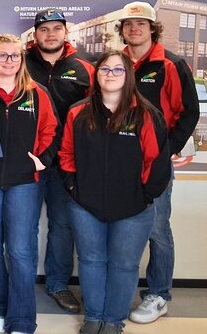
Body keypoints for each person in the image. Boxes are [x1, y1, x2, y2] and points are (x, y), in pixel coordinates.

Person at [60, 50, 172, 334]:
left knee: (124, 265)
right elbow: (66, 154)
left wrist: (145, 196)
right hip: (85, 205)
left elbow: (156, 161)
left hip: (134, 208)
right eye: (105, 70)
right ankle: (94, 316)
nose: (110, 75)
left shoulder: (146, 114)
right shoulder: (78, 112)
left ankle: (113, 320)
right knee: (90, 261)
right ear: (96, 76)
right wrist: (73, 186)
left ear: (129, 76)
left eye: (118, 70)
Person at [115, 2, 199, 324]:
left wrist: (167, 151)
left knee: (157, 230)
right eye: (129, 23)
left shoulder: (172, 64)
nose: (134, 28)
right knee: (122, 226)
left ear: (153, 28)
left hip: (155, 164)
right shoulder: (115, 64)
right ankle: (121, 291)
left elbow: (189, 111)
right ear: (122, 29)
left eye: (141, 23)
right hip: (120, 163)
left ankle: (159, 294)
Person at [0, 34, 59, 334]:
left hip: (25, 183)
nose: (9, 61)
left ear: (21, 60)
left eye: (14, 56)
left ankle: (21, 318)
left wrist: (40, 160)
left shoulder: (37, 94)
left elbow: (52, 131)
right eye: (2, 55)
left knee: (21, 250)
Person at [25, 8, 94, 313]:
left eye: (56, 28)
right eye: (43, 29)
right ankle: (21, 282)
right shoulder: (20, 63)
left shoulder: (85, 68)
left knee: (62, 225)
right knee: (22, 226)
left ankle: (58, 284)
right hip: (28, 160)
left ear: (66, 32)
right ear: (35, 34)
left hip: (65, 162)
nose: (50, 34)